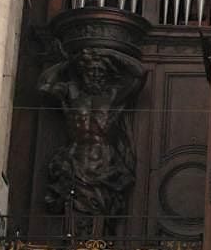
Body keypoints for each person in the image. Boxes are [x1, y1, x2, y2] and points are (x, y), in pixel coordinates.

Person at [39, 46, 145, 219]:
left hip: (103, 160)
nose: (95, 75)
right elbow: (44, 85)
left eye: (100, 71)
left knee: (101, 209)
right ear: (83, 72)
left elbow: (139, 73)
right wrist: (70, 62)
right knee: (73, 208)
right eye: (91, 71)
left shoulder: (112, 95)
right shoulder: (72, 93)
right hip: (75, 158)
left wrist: (110, 53)